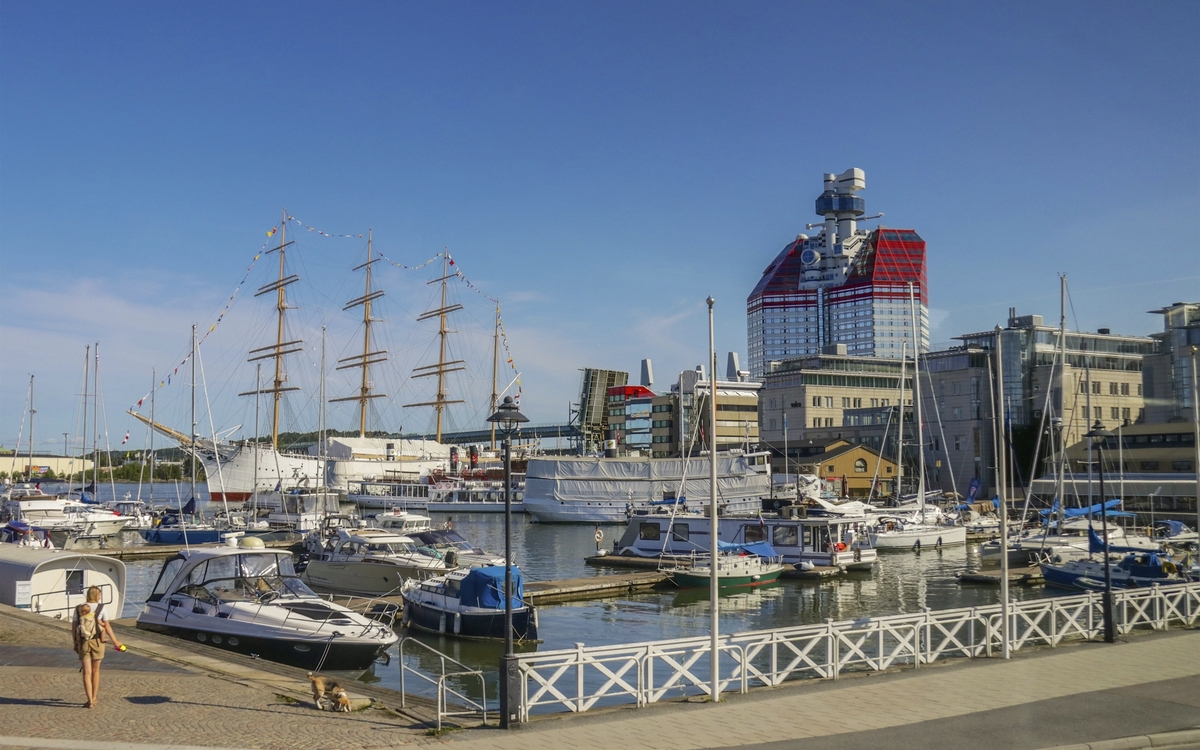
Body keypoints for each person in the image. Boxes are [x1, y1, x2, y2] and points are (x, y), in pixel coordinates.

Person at [72, 585, 125, 708]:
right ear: (96, 596)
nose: (100, 598)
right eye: (99, 596)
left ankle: (89, 700)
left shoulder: (79, 608)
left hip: (84, 642)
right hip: (98, 642)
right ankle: (94, 698)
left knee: (86, 672)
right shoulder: (102, 608)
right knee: (96, 671)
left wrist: (75, 642)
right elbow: (107, 626)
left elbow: (74, 628)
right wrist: (116, 641)